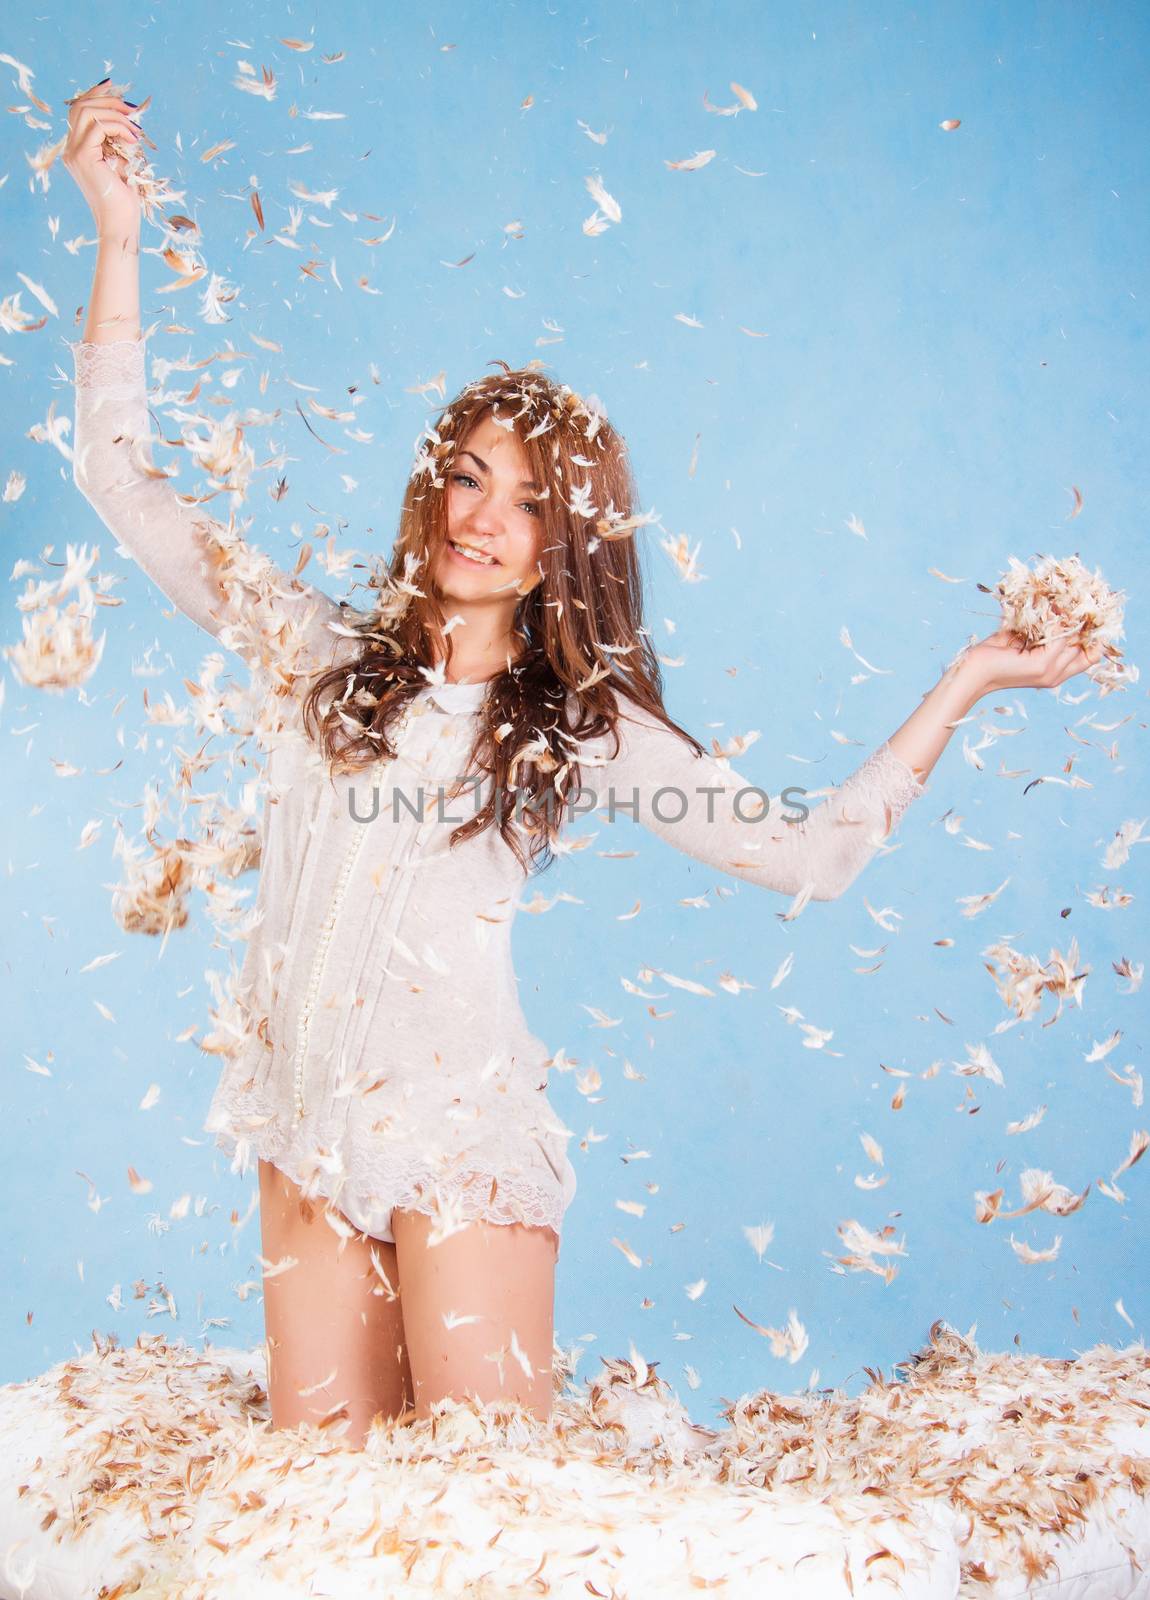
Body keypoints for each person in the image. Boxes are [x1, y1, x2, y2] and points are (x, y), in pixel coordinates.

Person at [62, 80, 1103, 1451]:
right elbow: (118, 476)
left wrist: (966, 682)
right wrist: (121, 234)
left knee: (485, 1515)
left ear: (568, 545)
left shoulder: (577, 727)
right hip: (298, 1119)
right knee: (318, 1515)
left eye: (528, 502)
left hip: (456, 1134)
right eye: (469, 477)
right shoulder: (309, 653)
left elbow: (812, 855)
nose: (483, 518)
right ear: (431, 484)